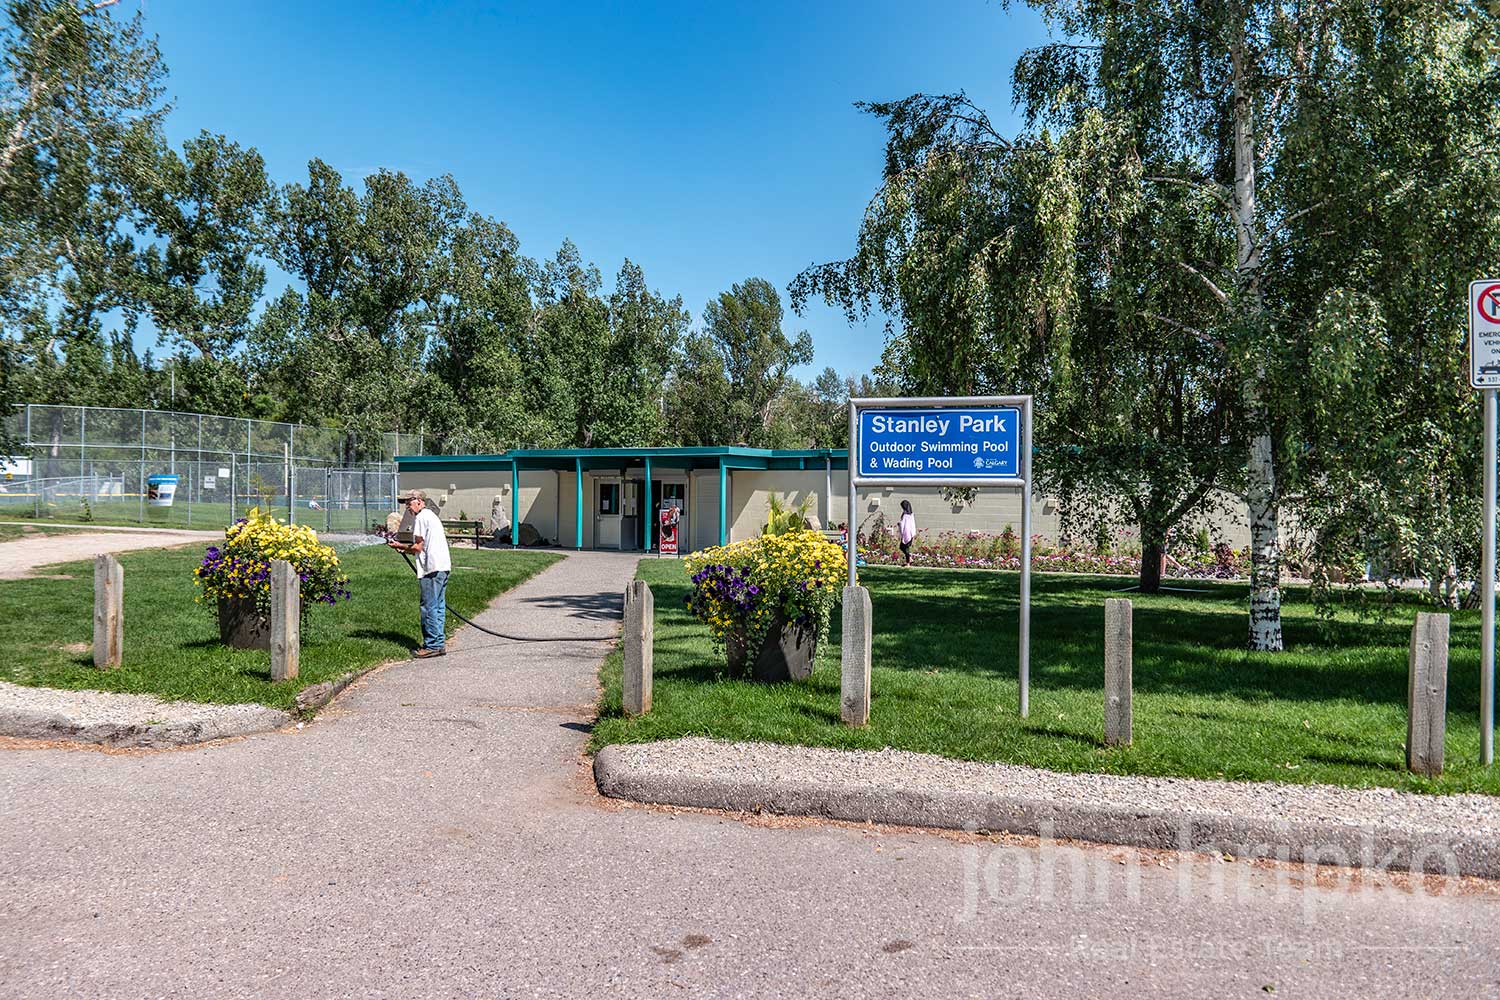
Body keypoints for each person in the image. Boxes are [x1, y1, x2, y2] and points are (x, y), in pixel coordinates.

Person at [387, 489, 452, 657]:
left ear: (419, 501)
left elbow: (418, 547)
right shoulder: (431, 516)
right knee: (438, 606)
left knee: (429, 607)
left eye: (409, 502)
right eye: (405, 503)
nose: (407, 506)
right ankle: (438, 644)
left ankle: (432, 646)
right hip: (442, 567)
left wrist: (399, 546)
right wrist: (404, 549)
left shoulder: (421, 517)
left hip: (431, 569)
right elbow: (421, 548)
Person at [897, 499, 917, 566]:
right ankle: (909, 560)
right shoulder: (911, 514)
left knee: (903, 547)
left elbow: (903, 524)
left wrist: (899, 524)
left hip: (906, 533)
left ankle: (908, 562)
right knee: (905, 548)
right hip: (910, 533)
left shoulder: (905, 515)